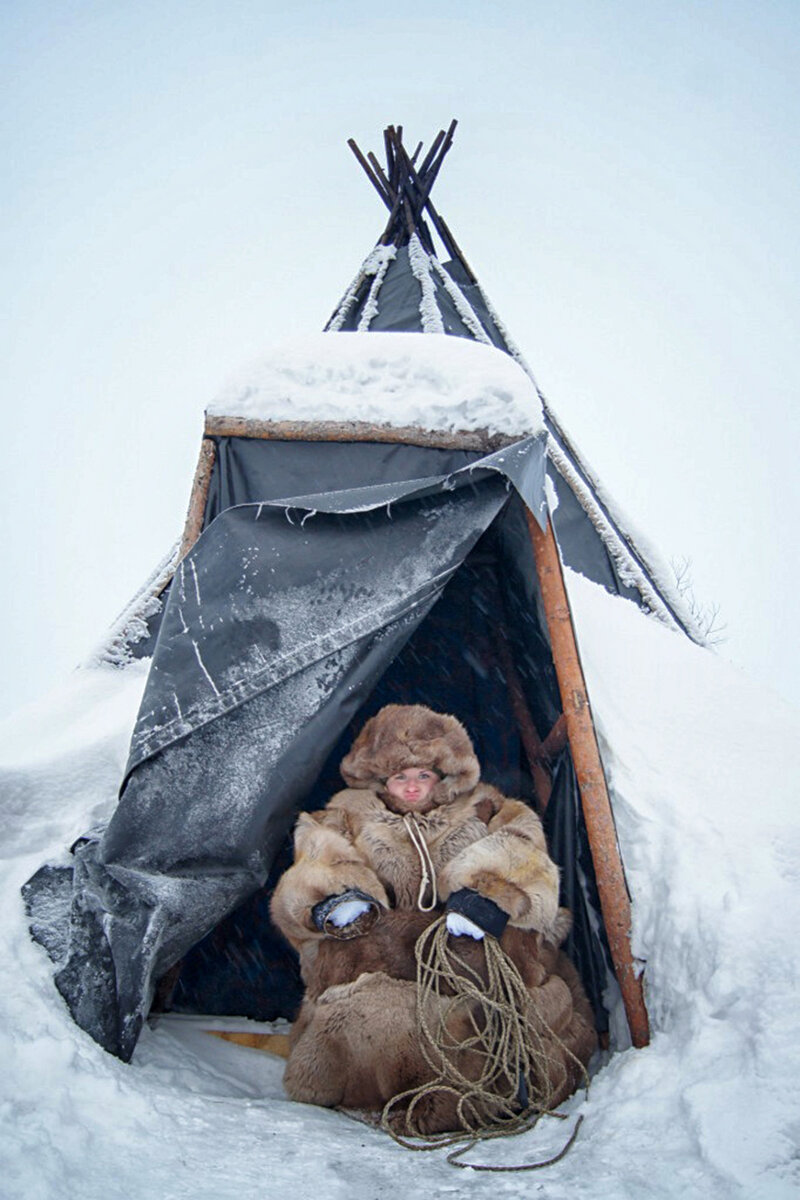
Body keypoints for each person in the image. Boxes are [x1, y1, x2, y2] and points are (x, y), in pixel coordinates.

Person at [270, 704, 596, 1132]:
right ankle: (425, 1076)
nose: (411, 787)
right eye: (399, 777)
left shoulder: (488, 808)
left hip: (464, 950)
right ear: (380, 779)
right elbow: (311, 869)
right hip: (385, 954)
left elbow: (525, 851)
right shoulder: (342, 816)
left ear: (443, 777)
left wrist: (489, 894)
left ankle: (505, 1069)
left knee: (514, 953)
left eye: (422, 776)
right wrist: (331, 901)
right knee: (356, 958)